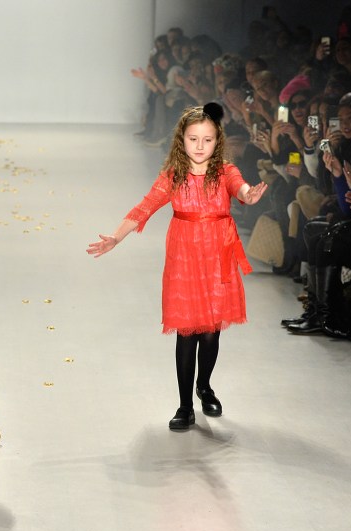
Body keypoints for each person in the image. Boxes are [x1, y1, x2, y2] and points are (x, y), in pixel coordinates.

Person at [87, 102, 267, 430]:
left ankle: (205, 386)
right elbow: (144, 207)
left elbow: (240, 189)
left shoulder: (226, 171)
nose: (200, 146)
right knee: (187, 332)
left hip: (217, 258)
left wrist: (248, 195)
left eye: (207, 139)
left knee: (211, 332)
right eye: (193, 139)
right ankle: (185, 406)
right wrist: (115, 237)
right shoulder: (174, 175)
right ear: (181, 140)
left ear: (218, 141)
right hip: (184, 260)